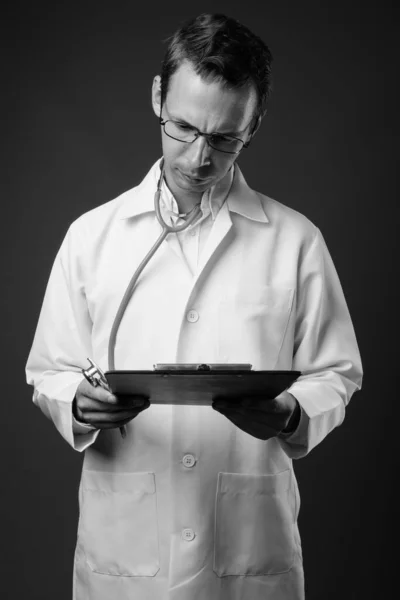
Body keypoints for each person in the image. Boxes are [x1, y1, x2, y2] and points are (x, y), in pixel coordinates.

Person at [26, 13, 362, 600]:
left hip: (249, 556)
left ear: (252, 126)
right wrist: (77, 405)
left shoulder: (296, 241)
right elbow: (48, 371)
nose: (198, 157)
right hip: (125, 560)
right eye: (182, 127)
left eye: (224, 137)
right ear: (158, 96)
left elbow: (338, 373)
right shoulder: (90, 236)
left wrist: (288, 413)